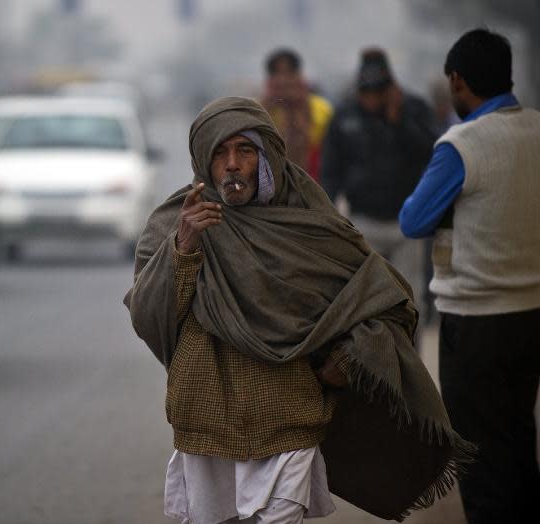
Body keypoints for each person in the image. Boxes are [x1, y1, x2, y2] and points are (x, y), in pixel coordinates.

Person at [125, 96, 473, 523]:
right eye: (220, 153)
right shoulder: (177, 222)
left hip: (290, 415)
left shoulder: (309, 216)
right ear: (203, 161)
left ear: (267, 156)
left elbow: (384, 297)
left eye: (245, 150)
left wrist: (348, 360)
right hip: (207, 421)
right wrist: (183, 249)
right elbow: (150, 317)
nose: (232, 164)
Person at [399, 29, 540, 524]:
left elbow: (413, 220)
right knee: (519, 434)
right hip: (531, 313)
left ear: (458, 81)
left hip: (476, 321)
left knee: (479, 453)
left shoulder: (462, 144)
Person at [321, 48, 437, 332]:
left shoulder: (414, 109)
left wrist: (399, 120)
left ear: (390, 87)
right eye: (366, 90)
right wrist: (327, 214)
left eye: (378, 90)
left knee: (411, 301)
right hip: (363, 223)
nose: (371, 97)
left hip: (406, 223)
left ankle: (411, 368)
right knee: (366, 302)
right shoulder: (344, 115)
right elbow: (331, 171)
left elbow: (432, 154)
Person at [261, 48, 333, 182]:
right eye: (277, 74)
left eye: (289, 73)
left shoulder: (321, 109)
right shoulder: (259, 111)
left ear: (299, 76)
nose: (283, 81)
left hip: (314, 184)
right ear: (270, 80)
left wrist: (299, 108)